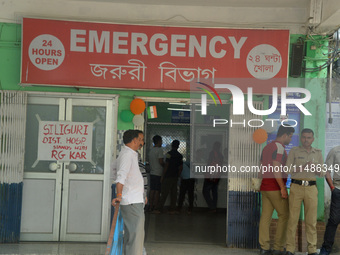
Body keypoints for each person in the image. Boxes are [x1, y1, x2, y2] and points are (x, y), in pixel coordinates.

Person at [285, 128, 326, 255]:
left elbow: (323, 172)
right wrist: (302, 167)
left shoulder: (317, 153)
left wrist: (316, 170)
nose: (306, 140)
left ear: (313, 139)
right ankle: (290, 249)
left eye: (309, 137)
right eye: (304, 137)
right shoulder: (294, 151)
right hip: (296, 187)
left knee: (311, 221)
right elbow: (287, 169)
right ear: (301, 138)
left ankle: (312, 249)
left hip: (311, 189)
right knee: (292, 219)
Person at [258, 125, 294, 255]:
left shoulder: (266, 147)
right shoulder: (279, 148)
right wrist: (282, 187)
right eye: (290, 136)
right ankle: (278, 247)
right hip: (275, 187)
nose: (290, 139)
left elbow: (261, 168)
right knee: (284, 215)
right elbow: (276, 168)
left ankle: (264, 247)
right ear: (285, 135)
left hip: (265, 187)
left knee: (265, 217)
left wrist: (260, 184)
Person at [112, 130, 146, 255]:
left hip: (135, 198)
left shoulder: (130, 154)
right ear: (134, 140)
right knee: (135, 237)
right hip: (131, 201)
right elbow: (120, 176)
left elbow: (113, 169)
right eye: (141, 139)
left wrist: (142, 194)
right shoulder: (127, 154)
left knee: (133, 235)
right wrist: (119, 195)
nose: (142, 142)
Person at [319, 146, 339, 255]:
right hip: (338, 190)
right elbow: (326, 170)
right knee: (334, 220)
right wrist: (332, 187)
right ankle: (326, 248)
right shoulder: (335, 151)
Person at [154, 140, 183, 214]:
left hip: (168, 176)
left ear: (171, 145)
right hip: (175, 176)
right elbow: (181, 167)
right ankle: (172, 209)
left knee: (164, 193)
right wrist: (178, 175)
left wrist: (163, 176)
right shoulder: (180, 156)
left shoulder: (168, 154)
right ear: (178, 146)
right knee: (174, 194)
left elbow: (166, 165)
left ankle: (159, 209)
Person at [203, 141, 223, 213]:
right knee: (214, 192)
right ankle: (214, 207)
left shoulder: (212, 153)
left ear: (214, 146)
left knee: (205, 191)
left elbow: (209, 163)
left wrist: (206, 172)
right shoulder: (221, 155)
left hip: (210, 175)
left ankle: (212, 207)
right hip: (217, 176)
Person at [148, 135, 164, 212]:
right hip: (158, 173)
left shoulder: (151, 150)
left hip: (152, 172)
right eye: (161, 141)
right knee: (157, 191)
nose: (162, 142)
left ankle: (150, 206)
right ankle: (155, 207)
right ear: (158, 141)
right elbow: (161, 161)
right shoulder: (159, 150)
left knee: (152, 190)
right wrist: (166, 166)